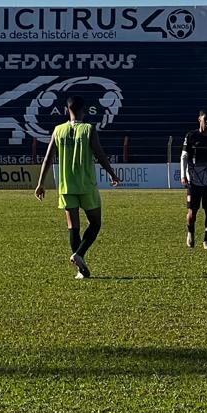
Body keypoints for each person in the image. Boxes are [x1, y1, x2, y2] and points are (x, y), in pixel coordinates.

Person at [34, 94, 121, 279]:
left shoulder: (58, 130)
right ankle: (79, 255)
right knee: (95, 223)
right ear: (84, 110)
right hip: (86, 184)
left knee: (73, 227)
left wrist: (41, 183)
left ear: (68, 110)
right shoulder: (88, 129)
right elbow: (100, 154)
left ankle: (80, 269)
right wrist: (112, 174)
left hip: (66, 186)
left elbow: (48, 157)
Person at [180, 109, 207, 249]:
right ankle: (190, 233)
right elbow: (184, 156)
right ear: (199, 119)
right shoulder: (191, 136)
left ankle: (206, 240)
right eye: (206, 119)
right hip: (194, 181)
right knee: (192, 212)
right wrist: (183, 175)